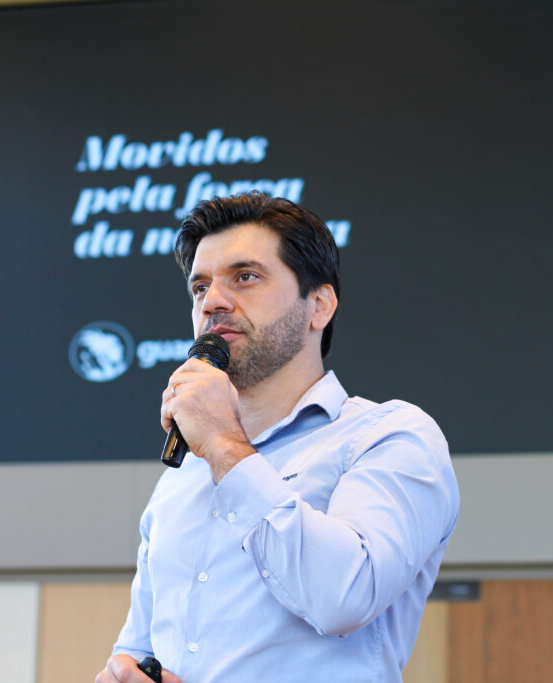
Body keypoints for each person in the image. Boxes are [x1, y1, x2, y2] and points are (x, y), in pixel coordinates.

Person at [96, 192, 459, 682]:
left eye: (245, 277)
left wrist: (224, 446)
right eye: (200, 287)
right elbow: (138, 647)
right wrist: (123, 672)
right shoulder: (184, 475)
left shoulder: (389, 437)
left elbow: (344, 597)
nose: (213, 302)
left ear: (319, 306)